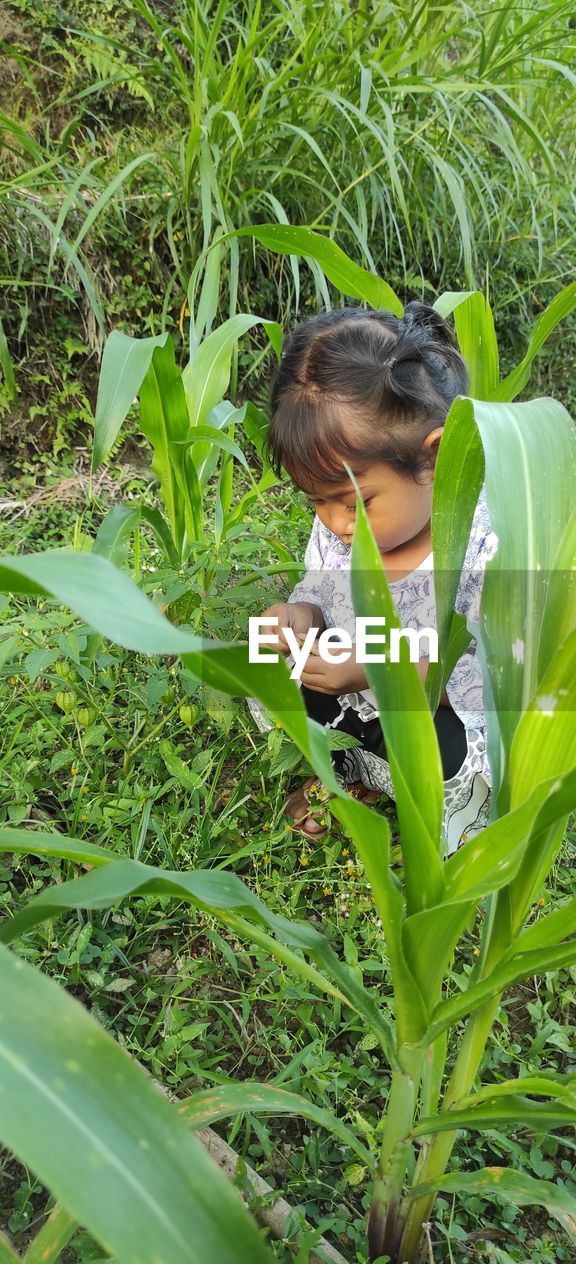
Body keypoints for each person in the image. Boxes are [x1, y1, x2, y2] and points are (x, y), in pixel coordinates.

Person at [248, 303, 498, 855]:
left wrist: (372, 670)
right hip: (351, 696)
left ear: (433, 459)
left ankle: (401, 794)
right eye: (316, 501)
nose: (335, 523)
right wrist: (302, 616)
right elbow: (320, 587)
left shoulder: (479, 542)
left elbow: (478, 658)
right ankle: (340, 775)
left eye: (352, 503)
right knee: (266, 668)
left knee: (449, 757)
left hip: (434, 715)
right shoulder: (339, 532)